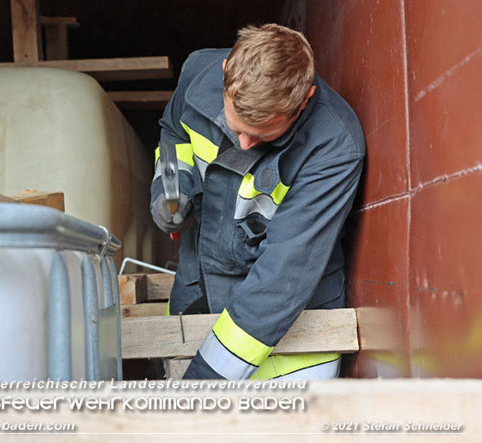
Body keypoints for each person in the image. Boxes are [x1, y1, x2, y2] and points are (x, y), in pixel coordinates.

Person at [150, 24, 365, 380]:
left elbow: (283, 277)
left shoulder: (335, 146)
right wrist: (171, 190)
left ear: (305, 99)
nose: (245, 144)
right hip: (197, 294)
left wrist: (204, 383)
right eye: (236, 129)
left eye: (264, 133)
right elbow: (173, 133)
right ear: (224, 73)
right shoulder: (198, 73)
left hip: (292, 354)